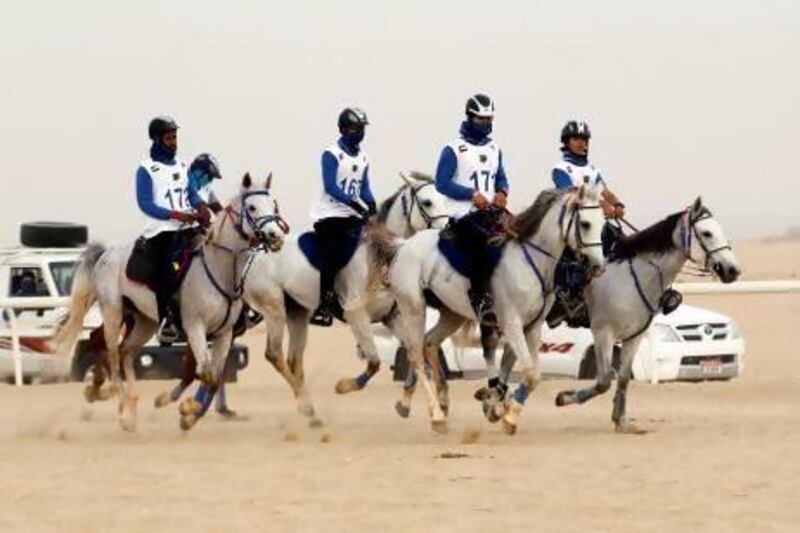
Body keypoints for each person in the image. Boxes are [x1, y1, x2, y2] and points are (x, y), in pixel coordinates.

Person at [434, 93, 510, 326]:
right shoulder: (453, 149)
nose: (485, 124)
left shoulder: (495, 149)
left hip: (491, 214)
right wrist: (471, 195)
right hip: (464, 216)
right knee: (482, 242)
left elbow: (502, 179)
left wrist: (502, 193)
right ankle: (479, 298)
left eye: (489, 119)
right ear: (469, 117)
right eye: (480, 119)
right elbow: (442, 183)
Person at [309, 107, 377, 326]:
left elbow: (363, 186)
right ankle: (324, 304)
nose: (359, 132)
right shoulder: (331, 154)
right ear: (343, 129)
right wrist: (355, 203)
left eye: (361, 128)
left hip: (353, 215)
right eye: (355, 128)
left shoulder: (364, 157)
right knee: (331, 256)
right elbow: (331, 187)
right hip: (330, 215)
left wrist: (372, 203)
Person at [134, 116, 204, 326]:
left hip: (189, 226)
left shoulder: (182, 165)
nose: (173, 142)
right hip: (161, 230)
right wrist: (174, 215)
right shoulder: (146, 169)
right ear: (157, 140)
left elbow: (191, 193)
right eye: (169, 138)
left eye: (175, 137)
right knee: (167, 271)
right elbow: (145, 203)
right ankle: (166, 320)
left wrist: (201, 206)